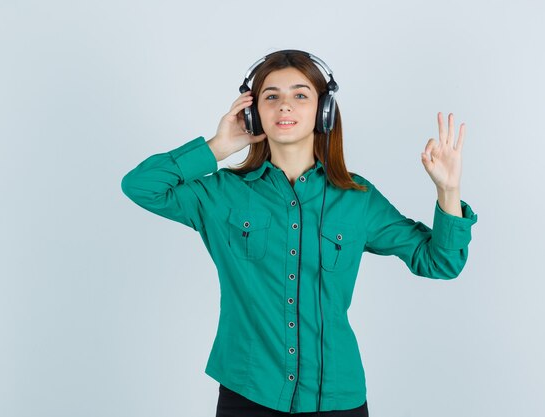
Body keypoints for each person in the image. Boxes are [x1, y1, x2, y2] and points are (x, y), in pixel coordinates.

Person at [121, 50, 478, 417]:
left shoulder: (357, 199)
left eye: (300, 94)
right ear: (252, 112)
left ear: (324, 111)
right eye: (271, 96)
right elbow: (141, 186)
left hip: (336, 397)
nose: (284, 106)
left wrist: (448, 192)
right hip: (249, 393)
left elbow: (440, 261)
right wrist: (219, 146)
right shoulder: (221, 194)